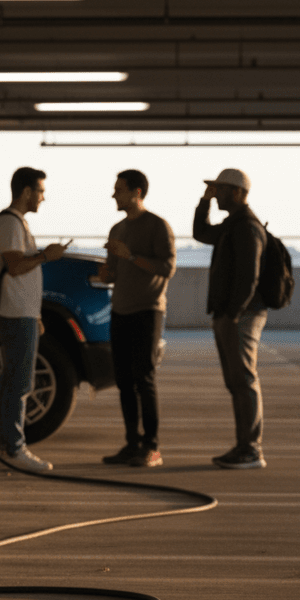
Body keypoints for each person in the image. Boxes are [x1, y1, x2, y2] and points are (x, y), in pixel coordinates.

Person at [0, 167, 68, 471]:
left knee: (12, 381)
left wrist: (34, 314)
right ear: (26, 192)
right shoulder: (10, 223)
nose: (43, 198)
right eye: (40, 191)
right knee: (19, 383)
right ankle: (14, 449)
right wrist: (47, 255)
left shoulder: (15, 222)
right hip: (13, 313)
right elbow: (15, 266)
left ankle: (7, 447)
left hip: (21, 313)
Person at [98, 170, 176, 467]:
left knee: (145, 378)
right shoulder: (116, 229)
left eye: (119, 189)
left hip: (148, 310)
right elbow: (111, 274)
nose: (113, 194)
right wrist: (105, 272)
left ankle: (152, 446)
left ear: (137, 192)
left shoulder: (157, 226)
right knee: (124, 380)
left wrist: (129, 256)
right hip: (120, 310)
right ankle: (132, 443)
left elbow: (167, 268)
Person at [194, 168, 269, 469]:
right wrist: (204, 201)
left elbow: (248, 277)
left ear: (237, 193)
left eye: (221, 190)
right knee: (237, 381)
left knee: (244, 379)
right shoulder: (231, 225)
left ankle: (250, 449)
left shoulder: (246, 227)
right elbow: (201, 233)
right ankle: (244, 446)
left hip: (241, 315)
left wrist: (233, 314)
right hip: (231, 314)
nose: (217, 194)